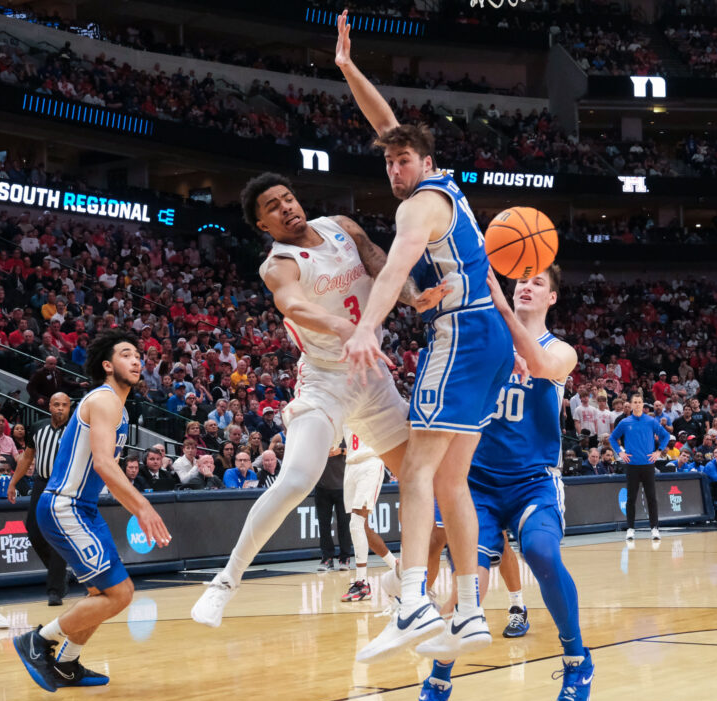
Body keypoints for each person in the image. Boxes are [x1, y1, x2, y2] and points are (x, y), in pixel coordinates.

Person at [189, 170, 446, 628]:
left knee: (431, 484)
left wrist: (413, 298)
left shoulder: (341, 226)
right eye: (273, 206)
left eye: (287, 198)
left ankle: (402, 586)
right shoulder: (279, 263)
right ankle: (224, 583)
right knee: (296, 480)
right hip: (327, 381)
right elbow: (294, 304)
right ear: (263, 225)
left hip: (374, 380)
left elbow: (377, 263)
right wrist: (346, 328)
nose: (286, 207)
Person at [334, 13, 514, 663]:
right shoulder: (447, 188)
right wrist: (349, 69)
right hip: (487, 339)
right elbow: (388, 126)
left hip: (462, 336)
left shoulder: (419, 205)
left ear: (426, 163)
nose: (392, 168)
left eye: (403, 161)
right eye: (388, 162)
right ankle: (468, 610)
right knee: (451, 484)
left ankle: (412, 600)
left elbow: (399, 265)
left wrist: (367, 325)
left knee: (415, 470)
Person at [411, 265, 591, 701]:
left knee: (540, 550)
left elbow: (540, 365)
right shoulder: (490, 346)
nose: (526, 286)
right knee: (471, 584)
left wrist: (505, 312)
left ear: (552, 298)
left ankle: (576, 662)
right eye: (520, 281)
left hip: (533, 478)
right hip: (478, 484)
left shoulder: (561, 351)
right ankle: (437, 684)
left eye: (537, 283)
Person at [14, 329, 170, 692]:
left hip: (82, 508)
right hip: (64, 506)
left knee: (103, 594)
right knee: (121, 593)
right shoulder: (103, 400)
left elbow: (102, 468)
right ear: (107, 364)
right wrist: (141, 506)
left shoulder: (121, 409)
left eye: (138, 355)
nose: (136, 360)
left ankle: (67, 663)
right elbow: (103, 464)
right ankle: (38, 641)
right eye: (127, 354)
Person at [7, 391, 72, 605]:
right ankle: (60, 572)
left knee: (57, 535)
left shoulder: (76, 431)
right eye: (56, 404)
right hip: (41, 482)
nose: (60, 408)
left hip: (65, 486)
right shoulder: (37, 428)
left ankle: (55, 589)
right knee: (33, 531)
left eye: (64, 405)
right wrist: (13, 482)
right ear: (49, 407)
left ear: (69, 408)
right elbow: (27, 457)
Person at [341, 428, 400, 602]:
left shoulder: (371, 401)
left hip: (370, 462)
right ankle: (396, 567)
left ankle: (362, 583)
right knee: (362, 527)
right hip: (350, 465)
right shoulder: (342, 406)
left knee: (356, 523)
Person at [610, 394, 670, 542]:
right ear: (630, 405)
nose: (637, 405)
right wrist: (620, 452)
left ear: (643, 405)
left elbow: (666, 435)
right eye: (634, 402)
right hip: (632, 466)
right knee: (631, 498)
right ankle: (630, 529)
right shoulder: (625, 422)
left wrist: (658, 451)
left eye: (639, 402)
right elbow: (612, 438)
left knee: (652, 498)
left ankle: (654, 528)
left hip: (648, 465)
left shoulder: (651, 421)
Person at [314, 447, 353, 573]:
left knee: (344, 524)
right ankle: (327, 558)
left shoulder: (346, 431)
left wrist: (341, 450)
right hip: (322, 486)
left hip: (344, 486)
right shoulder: (321, 432)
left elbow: (357, 449)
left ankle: (345, 558)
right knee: (323, 524)